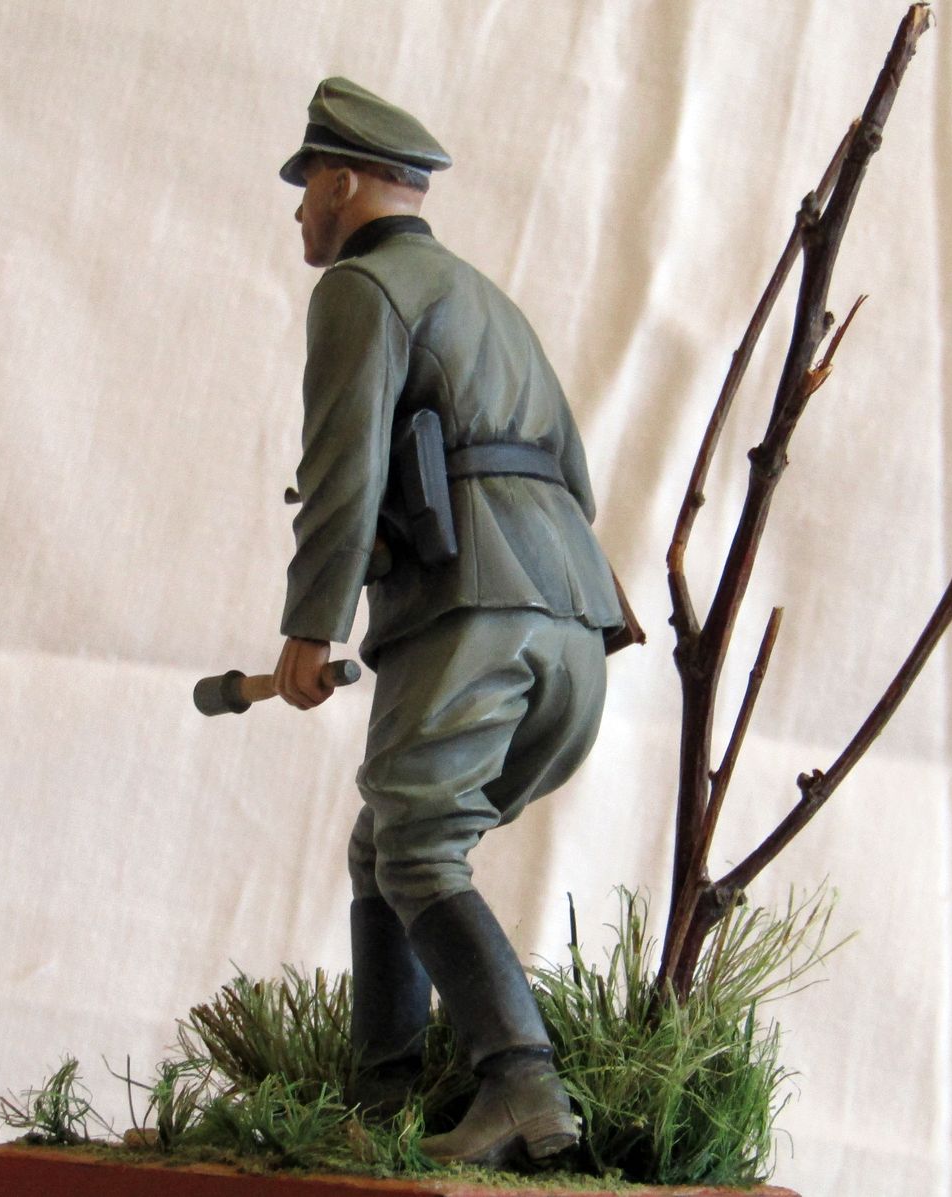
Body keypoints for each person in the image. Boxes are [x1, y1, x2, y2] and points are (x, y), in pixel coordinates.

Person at [271, 77, 634, 1167]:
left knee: (419, 842)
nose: (300, 210)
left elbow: (342, 472)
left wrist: (311, 627)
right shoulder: (487, 299)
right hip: (575, 626)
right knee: (388, 841)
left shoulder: (362, 287)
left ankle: (523, 1090)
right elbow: (575, 476)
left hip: (475, 612)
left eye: (306, 186)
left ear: (344, 183)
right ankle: (382, 1099)